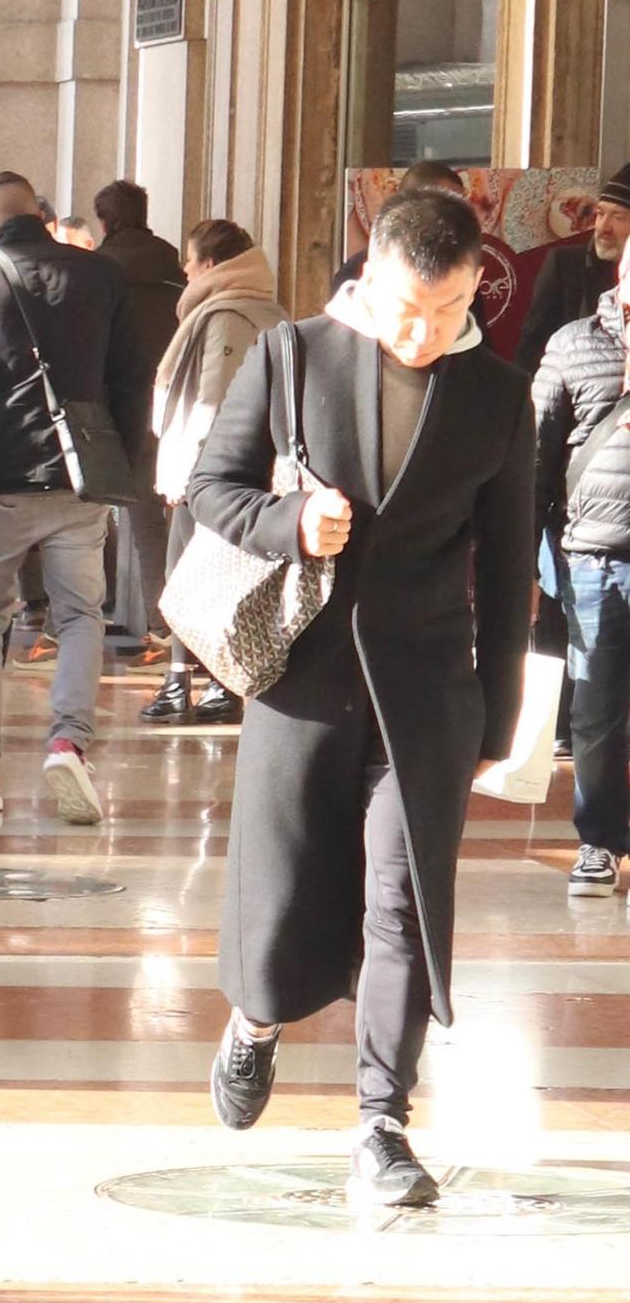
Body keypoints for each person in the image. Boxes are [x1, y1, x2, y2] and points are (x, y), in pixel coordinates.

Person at [191, 183, 535, 1216]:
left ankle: (381, 1126)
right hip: (301, 674)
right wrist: (287, 521)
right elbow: (211, 486)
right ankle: (254, 1019)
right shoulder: (291, 353)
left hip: (426, 691)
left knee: (401, 901)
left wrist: (498, 716)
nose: (418, 332)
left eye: (441, 310)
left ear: (474, 285)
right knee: (286, 880)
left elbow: (510, 562)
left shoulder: (495, 395)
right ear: (369, 275)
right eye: (401, 308)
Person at [0, 173, 151, 825]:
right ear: (42, 216)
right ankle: (68, 744)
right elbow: (132, 380)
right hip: (81, 480)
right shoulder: (102, 276)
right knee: (82, 614)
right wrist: (121, 461)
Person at [145, 218, 280, 726]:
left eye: (189, 258)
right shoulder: (262, 308)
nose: (183, 268)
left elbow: (213, 401)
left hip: (211, 473)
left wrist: (191, 472)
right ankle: (210, 683)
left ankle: (190, 683)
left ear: (209, 265)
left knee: (185, 577)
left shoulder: (227, 314)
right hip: (242, 472)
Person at [532, 224, 630, 897]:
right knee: (595, 711)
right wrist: (522, 559)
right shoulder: (572, 344)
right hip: (595, 555)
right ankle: (598, 839)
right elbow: (537, 454)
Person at [94, 177, 185, 655]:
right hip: (175, 405)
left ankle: (143, 616)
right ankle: (169, 622)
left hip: (115, 409)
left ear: (105, 221)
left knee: (97, 519)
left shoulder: (99, 271)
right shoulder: (176, 266)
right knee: (164, 520)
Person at [517, 165, 630, 379]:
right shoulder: (565, 265)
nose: (603, 227)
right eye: (600, 214)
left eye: (618, 217)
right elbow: (532, 347)